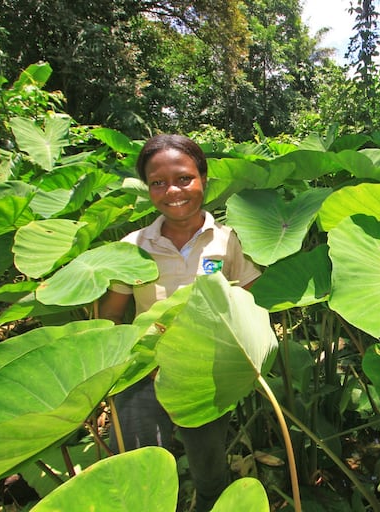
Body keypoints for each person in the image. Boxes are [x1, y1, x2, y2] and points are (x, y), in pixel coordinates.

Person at [99, 134, 261, 511]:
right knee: (141, 475)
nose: (172, 190)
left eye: (184, 178)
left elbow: (253, 301)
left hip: (206, 374)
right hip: (143, 372)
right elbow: (111, 313)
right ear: (148, 188)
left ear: (203, 178)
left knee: (210, 475)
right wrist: (107, 374)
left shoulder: (227, 240)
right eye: (158, 182)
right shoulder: (134, 244)